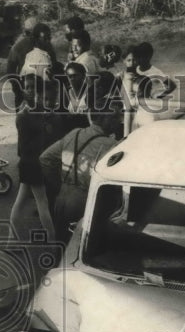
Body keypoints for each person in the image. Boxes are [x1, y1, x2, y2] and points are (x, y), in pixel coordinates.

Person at [40, 98, 123, 244]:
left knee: (61, 244)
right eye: (115, 117)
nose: (119, 121)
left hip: (61, 200)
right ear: (103, 119)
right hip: (86, 203)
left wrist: (59, 184)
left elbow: (45, 158)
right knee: (83, 247)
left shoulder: (75, 133)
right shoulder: (112, 145)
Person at [9, 73, 66, 242]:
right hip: (32, 163)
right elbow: (23, 147)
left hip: (33, 163)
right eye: (27, 87)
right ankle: (53, 241)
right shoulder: (25, 114)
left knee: (21, 203)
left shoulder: (39, 110)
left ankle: (12, 241)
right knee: (42, 202)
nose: (30, 91)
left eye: (34, 87)